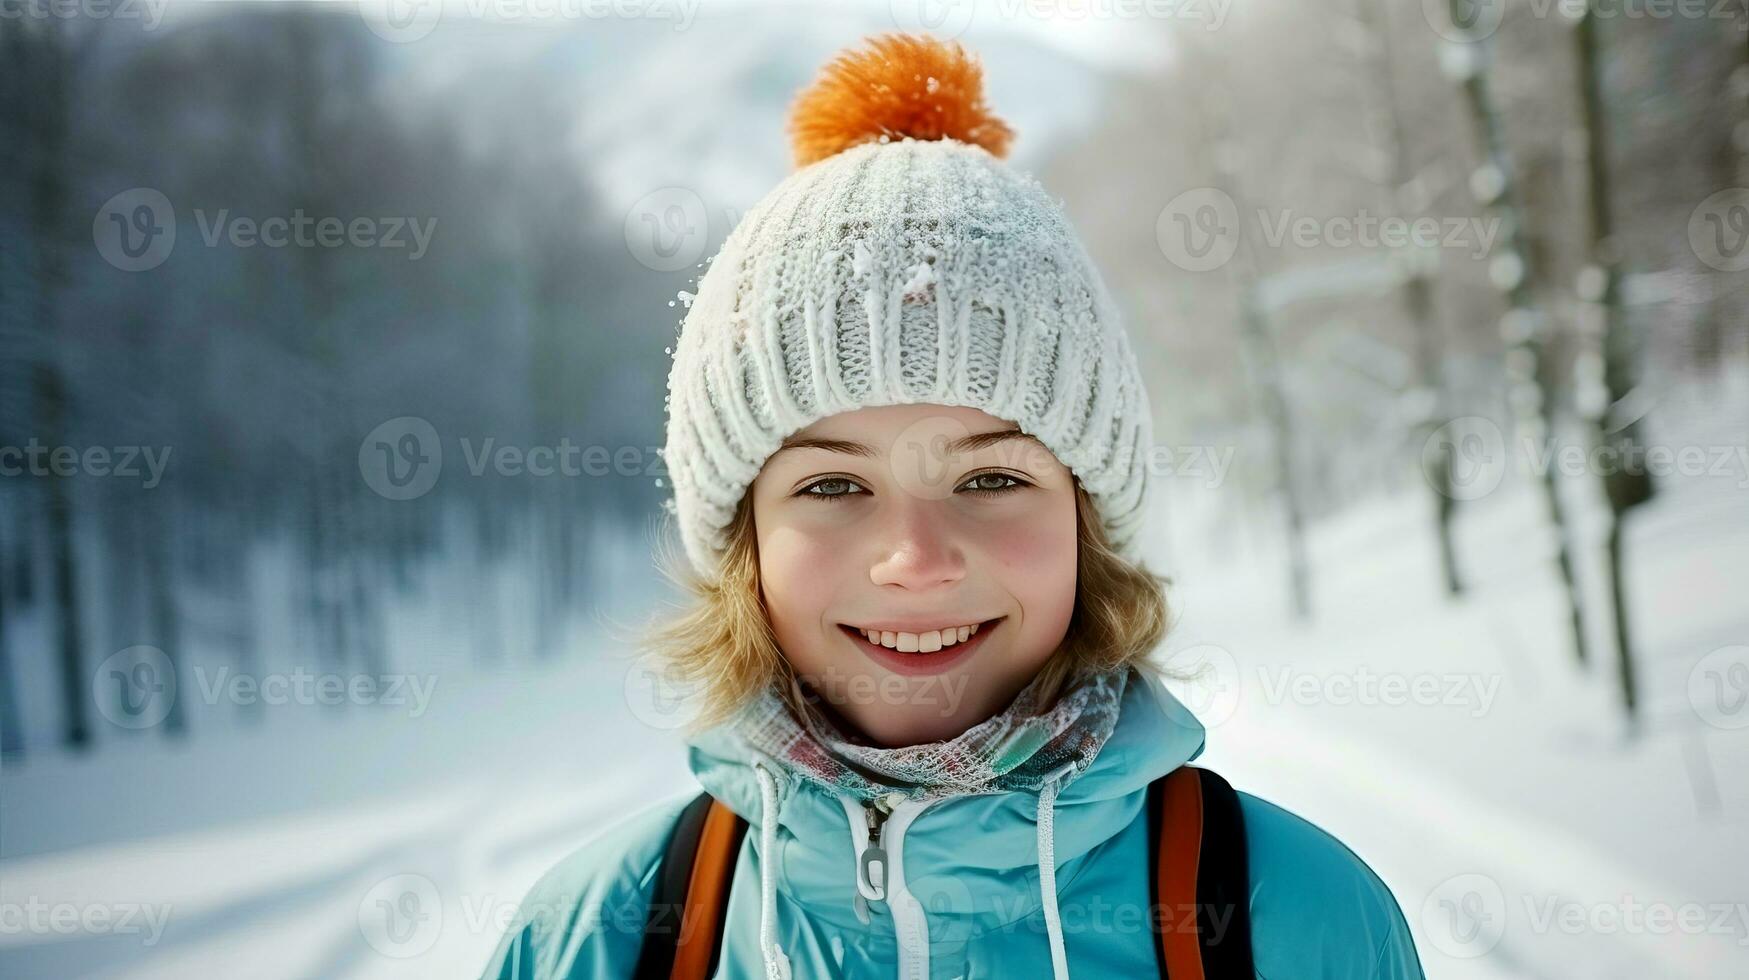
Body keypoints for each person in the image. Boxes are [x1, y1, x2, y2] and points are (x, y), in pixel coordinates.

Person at [481, 32, 1424, 980]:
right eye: (833, 486)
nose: (915, 557)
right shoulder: (596, 939)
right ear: (745, 545)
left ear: (1087, 524)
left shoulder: (1294, 922)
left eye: (990, 480)